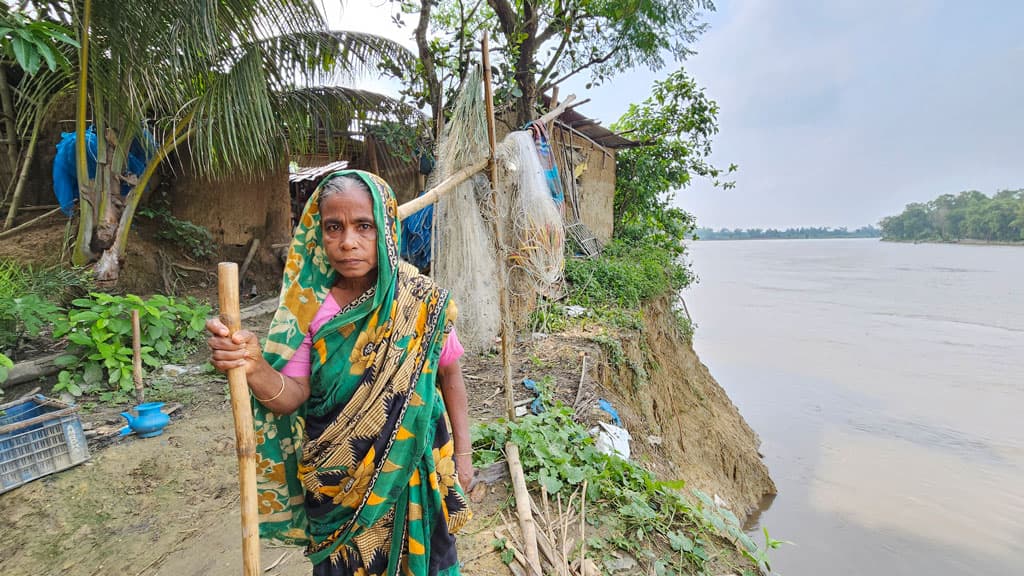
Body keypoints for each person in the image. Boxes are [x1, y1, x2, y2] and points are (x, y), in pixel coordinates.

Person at [206, 170, 474, 575]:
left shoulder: (419, 300)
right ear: (318, 232)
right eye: (334, 227)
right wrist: (252, 365)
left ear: (384, 227)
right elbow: (292, 395)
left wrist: (465, 456)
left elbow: (450, 377)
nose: (348, 242)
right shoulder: (308, 307)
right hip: (337, 484)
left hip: (412, 474)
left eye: (363, 226)